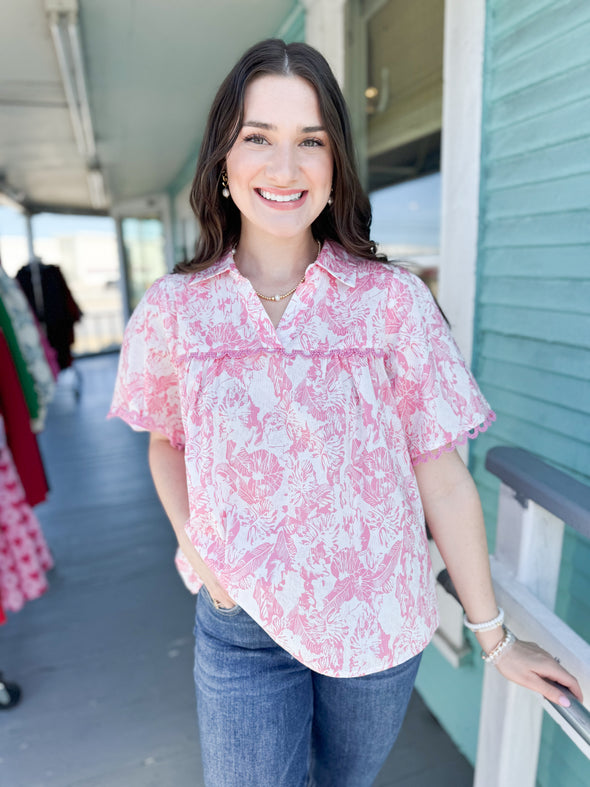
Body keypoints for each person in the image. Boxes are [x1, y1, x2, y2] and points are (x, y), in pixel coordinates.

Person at [109, 39, 583, 787]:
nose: (285, 167)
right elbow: (168, 442)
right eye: (259, 138)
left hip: (378, 621)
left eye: (311, 143)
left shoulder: (392, 304)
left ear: (335, 169)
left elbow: (444, 476)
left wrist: (493, 639)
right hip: (243, 623)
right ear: (223, 162)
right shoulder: (176, 310)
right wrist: (195, 544)